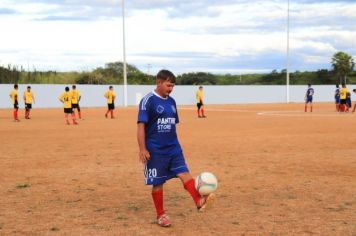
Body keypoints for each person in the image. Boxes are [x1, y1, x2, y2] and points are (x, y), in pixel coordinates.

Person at [137, 69, 214, 227]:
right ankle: (161, 215)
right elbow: (141, 126)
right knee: (158, 183)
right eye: (168, 85)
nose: (170, 89)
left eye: (172, 86)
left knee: (184, 173)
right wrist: (142, 149)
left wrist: (175, 144)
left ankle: (199, 201)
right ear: (158, 82)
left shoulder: (171, 102)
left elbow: (172, 125)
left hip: (173, 147)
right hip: (155, 149)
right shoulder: (148, 100)